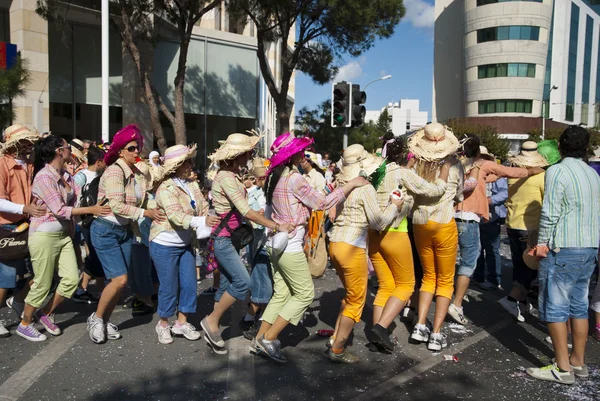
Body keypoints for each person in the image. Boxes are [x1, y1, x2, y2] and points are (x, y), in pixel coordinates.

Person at [250, 134, 367, 363]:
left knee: (282, 293)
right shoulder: (294, 178)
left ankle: (260, 338)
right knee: (305, 294)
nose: (302, 154)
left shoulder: (275, 176)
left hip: (275, 243)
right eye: (299, 151)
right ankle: (268, 339)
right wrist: (352, 184)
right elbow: (321, 204)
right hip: (289, 244)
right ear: (291, 155)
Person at [202, 131, 294, 354]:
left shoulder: (231, 175)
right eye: (249, 152)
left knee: (226, 285)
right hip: (223, 239)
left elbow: (241, 211)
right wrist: (275, 225)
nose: (251, 156)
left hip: (228, 238)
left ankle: (212, 330)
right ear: (238, 155)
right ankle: (212, 321)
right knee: (243, 282)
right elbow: (245, 210)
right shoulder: (225, 176)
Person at [18, 135, 110, 341]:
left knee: (70, 279)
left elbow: (76, 201)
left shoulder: (66, 175)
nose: (71, 150)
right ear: (59, 151)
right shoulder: (43, 177)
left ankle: (45, 313)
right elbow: (60, 209)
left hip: (63, 234)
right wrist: (93, 209)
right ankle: (25, 323)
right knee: (42, 282)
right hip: (43, 235)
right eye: (67, 147)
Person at [526, 126, 600, 384]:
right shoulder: (592, 174)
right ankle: (578, 362)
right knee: (579, 306)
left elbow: (550, 211)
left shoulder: (557, 171)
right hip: (589, 246)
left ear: (559, 145)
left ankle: (562, 367)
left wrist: (542, 242)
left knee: (555, 307)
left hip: (563, 246)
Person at [369, 133, 455, 352]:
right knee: (406, 285)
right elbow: (434, 190)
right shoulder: (403, 174)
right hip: (395, 233)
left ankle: (377, 335)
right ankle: (381, 327)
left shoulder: (378, 171)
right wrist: (444, 170)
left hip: (373, 235)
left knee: (386, 286)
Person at [449, 136, 542, 326]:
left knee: (454, 259)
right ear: (479, 153)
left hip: (452, 217)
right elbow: (509, 171)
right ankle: (457, 303)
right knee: (469, 261)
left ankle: (453, 293)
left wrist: (500, 174)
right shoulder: (481, 164)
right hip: (469, 219)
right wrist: (532, 170)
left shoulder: (457, 165)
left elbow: (493, 176)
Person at [87, 125, 165, 344]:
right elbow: (117, 205)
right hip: (105, 230)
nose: (136, 151)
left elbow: (144, 198)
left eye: (138, 147)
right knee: (119, 280)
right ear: (120, 151)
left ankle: (104, 320)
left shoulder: (137, 173)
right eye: (131, 148)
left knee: (121, 281)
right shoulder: (114, 171)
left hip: (125, 230)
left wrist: (159, 207)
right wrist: (145, 212)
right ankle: (96, 318)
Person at [326, 144, 402, 363]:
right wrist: (394, 206)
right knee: (356, 300)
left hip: (336, 244)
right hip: (352, 247)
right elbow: (378, 222)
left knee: (350, 295)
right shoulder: (365, 187)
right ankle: (338, 349)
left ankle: (335, 339)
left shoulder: (341, 184)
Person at [149, 144, 219, 344]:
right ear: (175, 166)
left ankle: (181, 323)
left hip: (186, 243)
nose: (190, 165)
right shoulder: (166, 188)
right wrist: (201, 221)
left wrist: (208, 217)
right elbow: (175, 216)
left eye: (189, 161)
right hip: (164, 244)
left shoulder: (193, 185)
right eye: (185, 162)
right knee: (169, 286)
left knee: (189, 284)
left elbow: (204, 206)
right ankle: (163, 323)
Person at [407, 123, 463, 351]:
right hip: (443, 223)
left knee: (428, 276)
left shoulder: (415, 166)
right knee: (445, 280)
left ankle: (420, 325)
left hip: (420, 222)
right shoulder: (454, 166)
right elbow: (458, 195)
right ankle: (436, 333)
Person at [0, 124, 45, 337]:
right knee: (5, 278)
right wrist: (24, 208)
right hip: (6, 228)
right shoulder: (1, 165)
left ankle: (18, 302)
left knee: (38, 271)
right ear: (13, 144)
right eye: (24, 142)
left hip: (27, 224)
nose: (29, 146)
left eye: (29, 142)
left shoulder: (28, 165)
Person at [498, 142, 550, 322]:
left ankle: (520, 302)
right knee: (530, 267)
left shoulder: (513, 175)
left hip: (512, 224)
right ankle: (512, 299)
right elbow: (547, 201)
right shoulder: (541, 176)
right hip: (530, 226)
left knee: (519, 265)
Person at [239, 157, 271, 340]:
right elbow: (247, 215)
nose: (260, 181)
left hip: (270, 239)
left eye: (263, 177)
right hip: (257, 237)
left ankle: (253, 316)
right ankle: (254, 315)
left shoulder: (273, 193)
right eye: (258, 177)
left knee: (263, 278)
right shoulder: (254, 192)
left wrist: (263, 214)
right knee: (259, 276)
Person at [73, 145, 107, 303]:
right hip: (86, 222)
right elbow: (73, 201)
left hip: (96, 220)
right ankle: (102, 291)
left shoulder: (102, 175)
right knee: (96, 255)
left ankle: (83, 289)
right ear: (99, 161)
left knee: (94, 256)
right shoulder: (81, 177)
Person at [473, 147, 508, 291]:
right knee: (477, 249)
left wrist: (489, 200)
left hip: (491, 216)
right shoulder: (473, 172)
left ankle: (494, 279)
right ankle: (478, 276)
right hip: (475, 216)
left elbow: (504, 193)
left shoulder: (496, 173)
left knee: (492, 249)